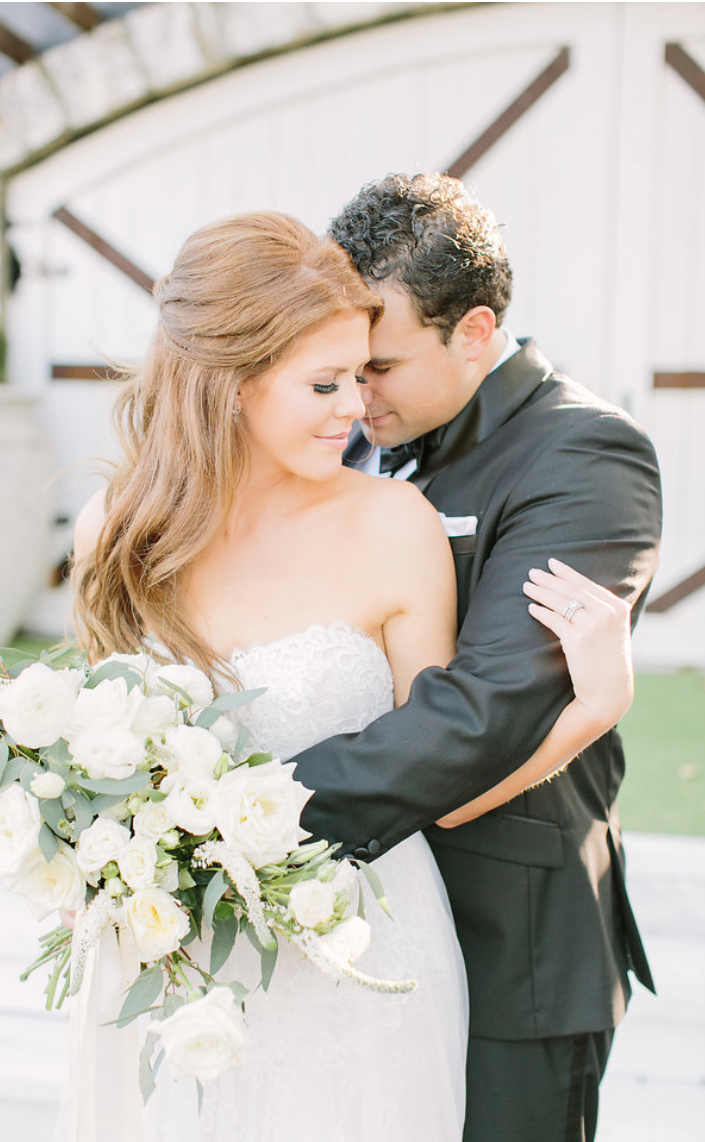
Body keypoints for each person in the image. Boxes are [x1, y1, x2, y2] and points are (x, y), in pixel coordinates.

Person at [70, 211, 636, 1142]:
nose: (356, 408)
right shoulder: (120, 530)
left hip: (366, 951)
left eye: (367, 376)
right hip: (177, 956)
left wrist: (594, 704)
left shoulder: (391, 523)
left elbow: (447, 776)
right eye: (327, 382)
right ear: (229, 386)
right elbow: (97, 768)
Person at [287, 175, 664, 1142]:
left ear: (477, 330)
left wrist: (252, 811)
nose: (354, 395)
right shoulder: (360, 438)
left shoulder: (584, 457)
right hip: (358, 923)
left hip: (513, 944)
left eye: (380, 366)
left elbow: (492, 703)